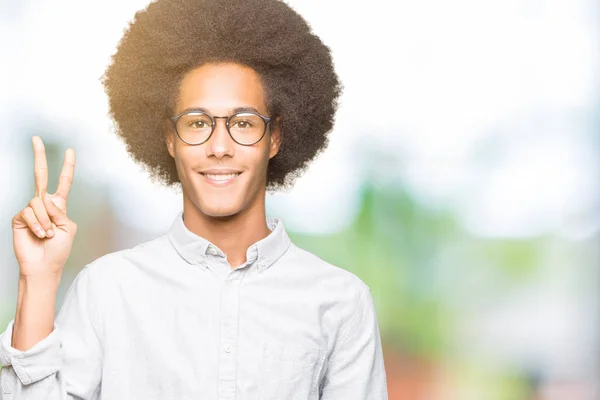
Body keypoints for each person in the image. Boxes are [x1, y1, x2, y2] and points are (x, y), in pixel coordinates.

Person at [0, 0, 388, 398]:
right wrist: (37, 280)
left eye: (243, 123)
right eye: (198, 123)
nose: (219, 146)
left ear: (275, 138)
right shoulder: (107, 289)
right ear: (169, 138)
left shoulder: (340, 301)